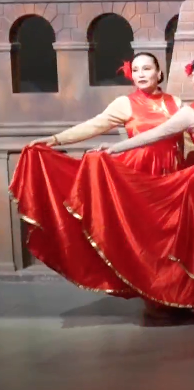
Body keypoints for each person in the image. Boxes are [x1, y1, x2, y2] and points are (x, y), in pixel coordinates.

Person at [64, 56, 194, 316]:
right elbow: (154, 133)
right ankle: (177, 296)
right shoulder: (184, 110)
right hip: (182, 174)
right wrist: (103, 146)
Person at [9, 52, 183, 299]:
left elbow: (187, 139)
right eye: (136, 70)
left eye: (147, 68)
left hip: (172, 175)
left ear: (159, 72)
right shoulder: (125, 103)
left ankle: (173, 293)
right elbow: (94, 125)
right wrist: (56, 139)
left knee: (173, 237)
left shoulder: (176, 102)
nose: (141, 74)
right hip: (136, 177)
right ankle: (152, 295)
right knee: (146, 238)